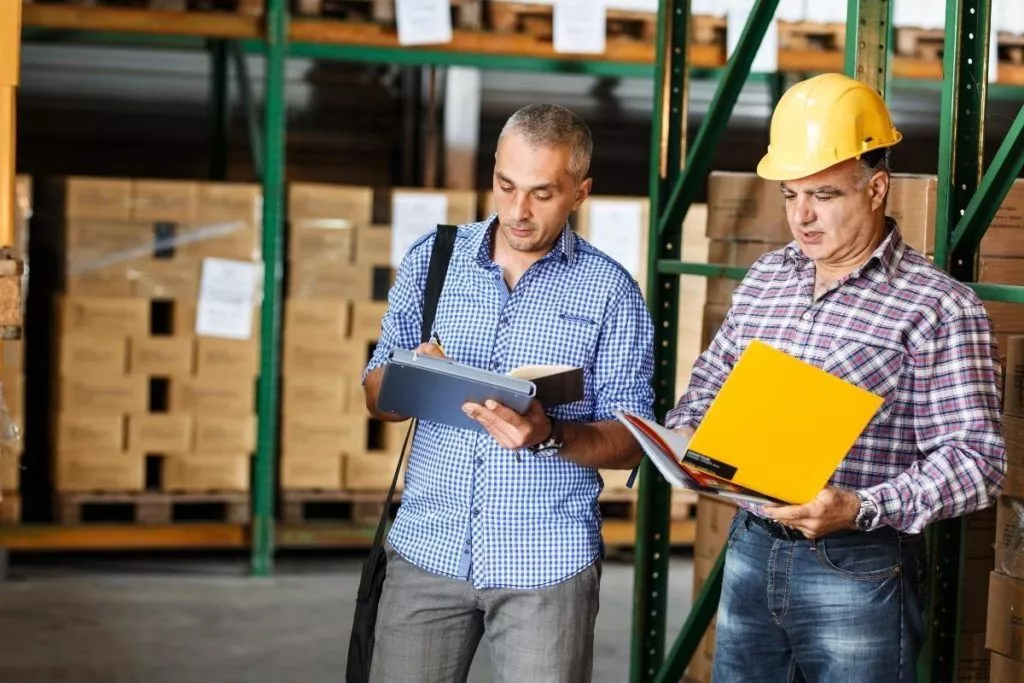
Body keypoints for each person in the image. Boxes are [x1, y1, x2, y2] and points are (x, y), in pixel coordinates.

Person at [665, 72, 1006, 682]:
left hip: (858, 562)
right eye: (792, 195)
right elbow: (710, 384)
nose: (803, 217)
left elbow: (976, 462)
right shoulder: (769, 277)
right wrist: (683, 437)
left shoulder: (936, 306)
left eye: (824, 195)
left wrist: (859, 507)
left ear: (876, 188)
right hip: (751, 544)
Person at [362, 103, 655, 682]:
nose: (518, 211)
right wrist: (407, 375)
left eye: (543, 194)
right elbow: (375, 397)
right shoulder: (433, 262)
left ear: (580, 192)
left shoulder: (612, 293)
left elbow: (632, 440)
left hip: (546, 566)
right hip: (427, 548)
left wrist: (550, 435)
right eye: (505, 186)